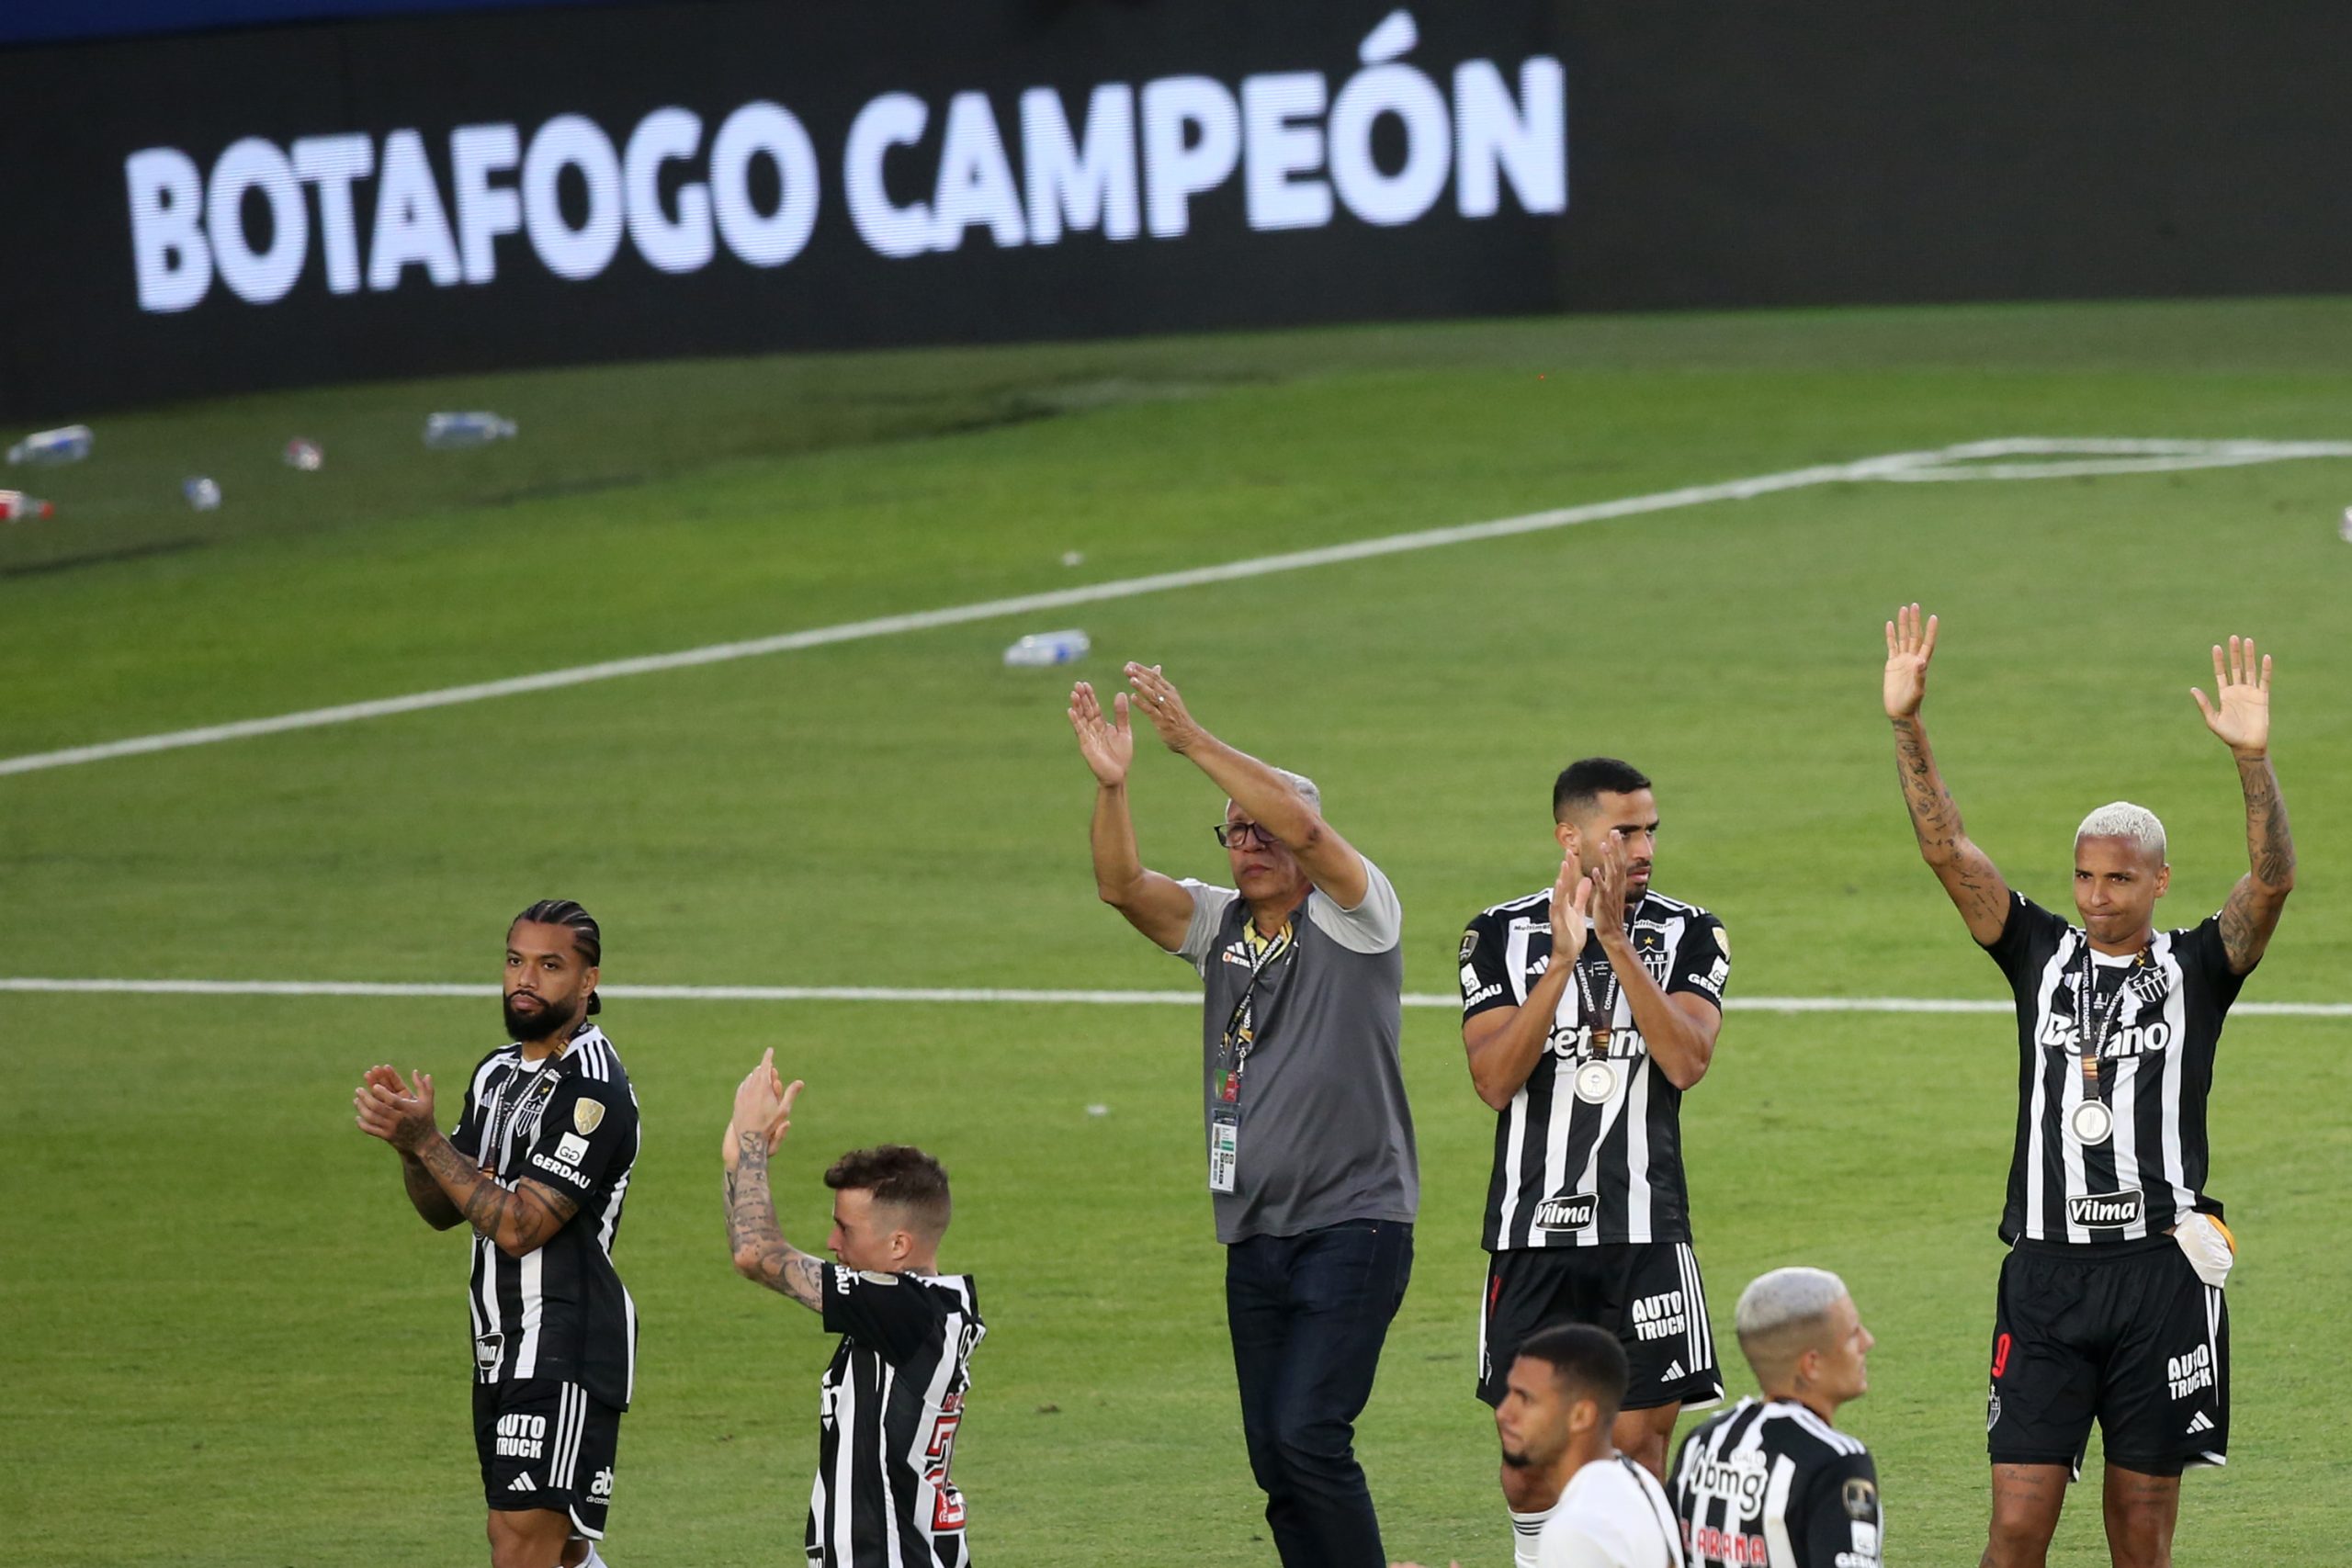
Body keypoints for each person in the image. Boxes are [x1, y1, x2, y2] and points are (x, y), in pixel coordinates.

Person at [1883, 610, 2293, 1568]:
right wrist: (1907, 724)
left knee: (2139, 1536)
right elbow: (1948, 852)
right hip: (2044, 1277)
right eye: (2083, 876)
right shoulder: (2036, 951)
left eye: (2117, 879)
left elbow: (2270, 883)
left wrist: (2250, 761)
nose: (2095, 896)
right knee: (2016, 1526)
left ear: (2158, 881)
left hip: (2160, 1274)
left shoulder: (2199, 967)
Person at [1069, 661, 1417, 1568]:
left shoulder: (1357, 917)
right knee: (1275, 1459)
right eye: (1234, 832)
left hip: (1354, 1225)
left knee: (1308, 1434)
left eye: (1264, 830)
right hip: (1254, 1233)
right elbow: (1121, 886)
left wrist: (1189, 741)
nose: (1250, 844)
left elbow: (1301, 821)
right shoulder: (1221, 927)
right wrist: (1114, 788)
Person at [1457, 756, 1730, 1561]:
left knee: (1641, 1452)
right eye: (1625, 830)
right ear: (1568, 836)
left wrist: (1615, 942)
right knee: (1528, 1466)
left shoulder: (1690, 932)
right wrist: (1565, 961)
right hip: (1530, 1234)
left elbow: (1685, 1061)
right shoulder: (1497, 935)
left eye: (1650, 829)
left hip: (1645, 1231)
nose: (1643, 846)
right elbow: (1493, 1078)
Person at [355, 899, 640, 1568]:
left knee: (519, 1545)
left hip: (566, 1336)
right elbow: (444, 1208)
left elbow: (519, 1226)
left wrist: (430, 1141)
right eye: (516, 961)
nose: (526, 979)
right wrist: (413, 1148)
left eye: (550, 965)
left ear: (588, 981)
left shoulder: (593, 1089)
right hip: (501, 1339)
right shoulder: (496, 1073)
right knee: (555, 1549)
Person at [720, 1051, 985, 1568]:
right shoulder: (923, 1309)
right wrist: (739, 1161)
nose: (831, 1241)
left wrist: (751, 1140)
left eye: (846, 1229)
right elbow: (752, 1253)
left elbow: (757, 1256)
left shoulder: (901, 1311)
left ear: (898, 1246)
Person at [1668, 1268, 1882, 1568]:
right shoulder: (1835, 1462)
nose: (1867, 1342)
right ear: (1811, 1365)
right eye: (1852, 1334)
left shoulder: (1702, 1442)